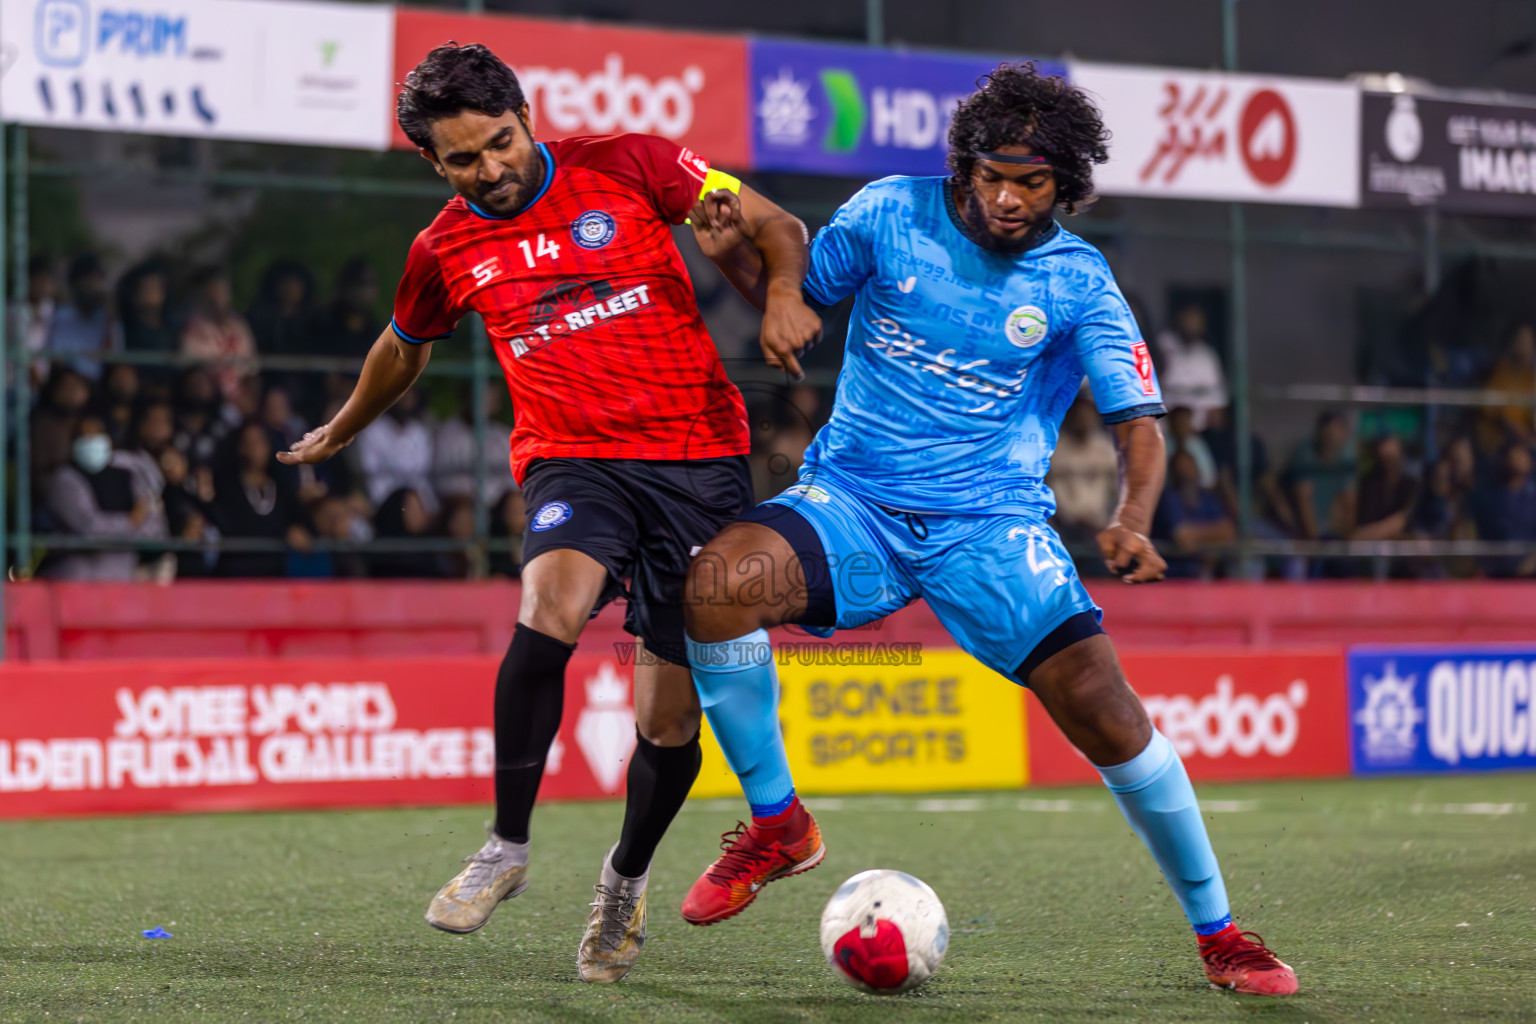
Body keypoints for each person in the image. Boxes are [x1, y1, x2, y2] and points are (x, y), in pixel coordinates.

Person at [682, 64, 1296, 996]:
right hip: (853, 503)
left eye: (1034, 182)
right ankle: (779, 824)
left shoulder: (1080, 281)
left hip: (990, 529)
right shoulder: (889, 212)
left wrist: (1131, 518)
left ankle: (1222, 934)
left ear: (1068, 183)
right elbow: (797, 299)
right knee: (715, 590)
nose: (1008, 198)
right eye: (992, 175)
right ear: (964, 165)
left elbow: (1141, 426)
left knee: (1110, 714)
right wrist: (742, 263)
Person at [276, 42, 818, 983]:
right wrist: (342, 428)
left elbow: (775, 227)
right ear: (431, 164)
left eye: (500, 142)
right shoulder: (443, 247)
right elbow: (403, 349)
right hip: (575, 462)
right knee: (548, 610)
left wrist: (776, 298)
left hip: (699, 463)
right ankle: (506, 848)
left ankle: (623, 880)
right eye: (463, 159)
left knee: (667, 723)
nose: (490, 170)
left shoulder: (635, 162)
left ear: (526, 117)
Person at [42, 415, 167, 580]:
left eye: (96, 435)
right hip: (78, 578)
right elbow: (87, 529)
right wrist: (130, 522)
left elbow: (154, 530)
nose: (91, 441)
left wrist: (130, 526)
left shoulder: (128, 475)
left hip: (124, 579)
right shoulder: (65, 479)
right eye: (84, 436)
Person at [209, 421, 312, 578]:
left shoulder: (282, 487)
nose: (254, 448)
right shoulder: (226, 488)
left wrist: (294, 530)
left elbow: (298, 524)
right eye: (248, 443)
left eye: (259, 442)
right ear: (239, 448)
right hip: (234, 577)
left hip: (274, 578)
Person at [1154, 449, 1237, 578]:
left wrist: (1198, 539)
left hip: (1201, 576)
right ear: (1173, 472)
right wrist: (1212, 538)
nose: (1186, 471)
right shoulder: (1169, 498)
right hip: (1171, 577)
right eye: (1181, 468)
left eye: (1189, 466)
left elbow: (1229, 532)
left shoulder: (1208, 499)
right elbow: (1184, 538)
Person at [180, 267, 257, 405]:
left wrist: (248, 397)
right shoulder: (194, 328)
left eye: (221, 291)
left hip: (241, 398)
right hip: (212, 398)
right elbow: (195, 369)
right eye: (212, 291)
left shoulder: (239, 325)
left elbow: (251, 367)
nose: (217, 298)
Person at [49, 253, 122, 381]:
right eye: (88, 280)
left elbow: (116, 355)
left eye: (97, 280)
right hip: (69, 382)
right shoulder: (62, 316)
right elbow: (59, 359)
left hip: (99, 386)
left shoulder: (107, 317)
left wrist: (110, 316)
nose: (93, 286)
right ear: (75, 283)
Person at [1154, 301, 1227, 428]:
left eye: (1196, 322)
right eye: (1188, 320)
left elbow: (1217, 398)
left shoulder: (1207, 355)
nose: (1192, 325)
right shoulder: (1163, 347)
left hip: (1198, 429)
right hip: (1166, 425)